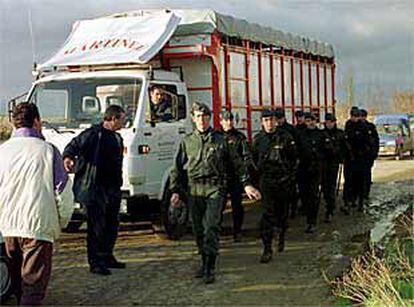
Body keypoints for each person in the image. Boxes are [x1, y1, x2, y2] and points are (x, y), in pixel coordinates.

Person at [169, 102, 261, 284]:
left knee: (211, 227)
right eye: (197, 116)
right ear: (193, 119)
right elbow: (176, 168)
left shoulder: (221, 140)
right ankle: (204, 261)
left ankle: (210, 267)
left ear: (210, 118)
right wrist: (175, 190)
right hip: (194, 190)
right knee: (198, 230)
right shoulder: (187, 141)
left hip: (214, 188)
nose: (201, 120)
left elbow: (237, 164)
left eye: (204, 116)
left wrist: (247, 184)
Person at [0, 102, 73, 305]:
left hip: (7, 227)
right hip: (38, 227)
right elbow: (63, 192)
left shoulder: (2, 151)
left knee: (17, 285)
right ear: (36, 121)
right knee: (33, 287)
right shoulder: (48, 151)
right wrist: (62, 222)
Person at [63, 105, 126, 276]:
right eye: (121, 119)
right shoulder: (93, 134)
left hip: (112, 188)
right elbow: (73, 145)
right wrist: (67, 158)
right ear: (113, 119)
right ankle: (95, 261)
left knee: (112, 224)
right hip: (95, 188)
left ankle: (107, 255)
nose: (123, 122)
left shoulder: (117, 138)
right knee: (96, 227)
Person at [252, 108, 297, 263]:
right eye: (265, 120)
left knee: (282, 214)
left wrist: (290, 176)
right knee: (267, 215)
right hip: (266, 182)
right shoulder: (258, 140)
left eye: (271, 120)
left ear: (275, 121)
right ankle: (267, 248)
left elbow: (294, 159)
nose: (269, 123)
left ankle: (282, 234)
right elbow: (253, 161)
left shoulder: (285, 137)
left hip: (283, 181)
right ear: (262, 122)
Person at [219, 110, 252, 242]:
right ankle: (217, 230)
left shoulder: (239, 137)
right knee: (218, 206)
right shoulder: (217, 136)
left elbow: (246, 156)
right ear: (221, 121)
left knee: (236, 205)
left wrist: (244, 174)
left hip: (235, 177)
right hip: (221, 177)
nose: (229, 123)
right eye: (226, 120)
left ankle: (237, 231)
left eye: (231, 120)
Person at [297, 112, 324, 233]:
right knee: (304, 195)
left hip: (316, 169)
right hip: (303, 169)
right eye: (308, 121)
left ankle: (311, 221)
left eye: (312, 120)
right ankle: (307, 213)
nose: (311, 123)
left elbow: (327, 152)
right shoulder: (301, 135)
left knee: (313, 195)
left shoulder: (321, 135)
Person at [274, 107, 300, 219]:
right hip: (277, 165)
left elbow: (297, 147)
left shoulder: (291, 130)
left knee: (291, 190)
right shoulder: (274, 129)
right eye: (277, 118)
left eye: (280, 118)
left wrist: (294, 164)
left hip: (289, 164)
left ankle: (293, 209)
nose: (279, 121)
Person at [343, 109, 372, 212]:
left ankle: (360, 202)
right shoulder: (348, 125)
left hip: (361, 158)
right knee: (349, 181)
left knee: (360, 181)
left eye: (356, 116)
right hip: (350, 159)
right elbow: (345, 140)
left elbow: (368, 142)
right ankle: (348, 201)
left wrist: (366, 154)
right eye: (353, 116)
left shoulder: (363, 126)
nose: (354, 118)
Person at [320, 113, 346, 222]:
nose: (329, 124)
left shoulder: (339, 134)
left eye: (331, 122)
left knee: (331, 187)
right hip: (323, 164)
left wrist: (342, 157)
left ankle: (330, 210)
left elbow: (344, 148)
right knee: (324, 187)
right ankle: (328, 204)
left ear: (334, 122)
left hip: (333, 164)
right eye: (327, 122)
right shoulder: (321, 134)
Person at [359, 109, 379, 202]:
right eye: (360, 116)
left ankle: (365, 194)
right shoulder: (355, 127)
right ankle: (359, 194)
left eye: (363, 116)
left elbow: (376, 141)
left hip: (368, 156)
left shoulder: (370, 127)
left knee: (367, 175)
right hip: (358, 156)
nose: (362, 118)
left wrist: (374, 153)